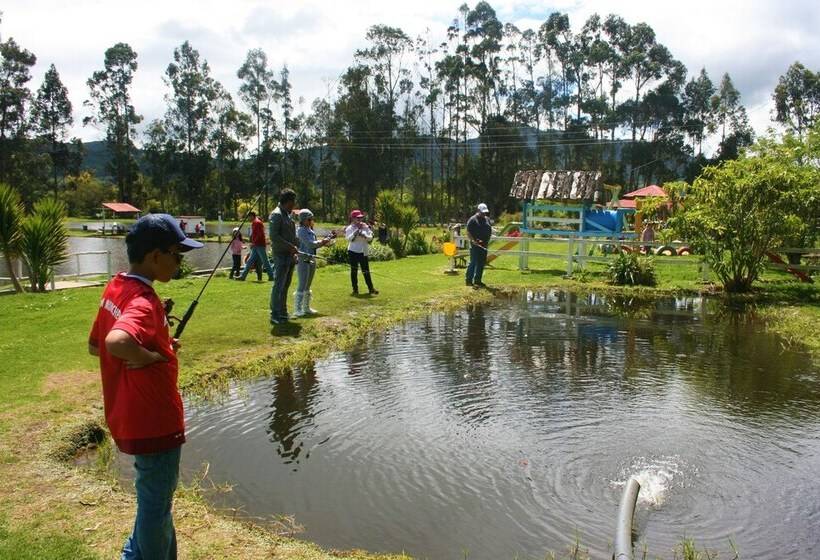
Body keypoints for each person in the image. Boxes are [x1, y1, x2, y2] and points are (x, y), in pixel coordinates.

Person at [87, 214, 203, 560]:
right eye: (177, 255)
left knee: (155, 500)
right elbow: (116, 342)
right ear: (155, 256)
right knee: (156, 505)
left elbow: (94, 345)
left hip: (130, 414)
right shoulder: (143, 300)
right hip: (154, 421)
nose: (180, 263)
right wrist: (149, 357)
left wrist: (159, 345)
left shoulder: (116, 287)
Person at [294, 208, 333, 316]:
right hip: (303, 259)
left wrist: (326, 242)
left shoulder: (310, 230)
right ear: (303, 220)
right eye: (309, 219)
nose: (311, 221)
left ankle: (306, 308)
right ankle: (297, 309)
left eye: (311, 219)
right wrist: (322, 242)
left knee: (308, 285)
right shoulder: (301, 231)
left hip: (311, 258)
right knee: (302, 284)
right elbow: (310, 244)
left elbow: (314, 244)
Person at [268, 189, 299, 324]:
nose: (294, 205)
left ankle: (283, 312)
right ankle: (274, 314)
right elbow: (274, 236)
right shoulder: (276, 215)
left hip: (290, 255)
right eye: (293, 202)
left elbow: (292, 235)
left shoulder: (287, 215)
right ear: (287, 201)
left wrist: (296, 247)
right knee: (279, 285)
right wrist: (290, 246)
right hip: (281, 255)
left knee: (286, 285)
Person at [345, 209, 378, 295]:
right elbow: (348, 238)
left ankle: (371, 289)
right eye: (358, 218)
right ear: (353, 218)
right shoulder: (349, 228)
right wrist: (355, 232)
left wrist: (365, 235)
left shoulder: (365, 226)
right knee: (354, 271)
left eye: (360, 218)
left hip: (363, 251)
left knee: (366, 271)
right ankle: (355, 290)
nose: (360, 219)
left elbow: (370, 237)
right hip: (353, 251)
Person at [236, 211, 274, 282]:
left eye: (248, 217)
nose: (248, 219)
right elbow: (255, 234)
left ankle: (271, 276)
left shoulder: (257, 223)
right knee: (250, 261)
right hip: (256, 245)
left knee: (265, 261)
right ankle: (243, 276)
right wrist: (253, 243)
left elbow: (260, 234)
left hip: (259, 245)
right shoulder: (254, 223)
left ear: (252, 216)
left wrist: (254, 243)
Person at [465, 202, 492, 288]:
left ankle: (478, 280)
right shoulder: (472, 220)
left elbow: (489, 230)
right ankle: (469, 280)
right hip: (475, 245)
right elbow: (468, 232)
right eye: (482, 212)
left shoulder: (487, 219)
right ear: (478, 210)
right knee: (473, 262)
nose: (484, 214)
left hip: (484, 244)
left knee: (481, 262)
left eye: (485, 212)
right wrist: (473, 241)